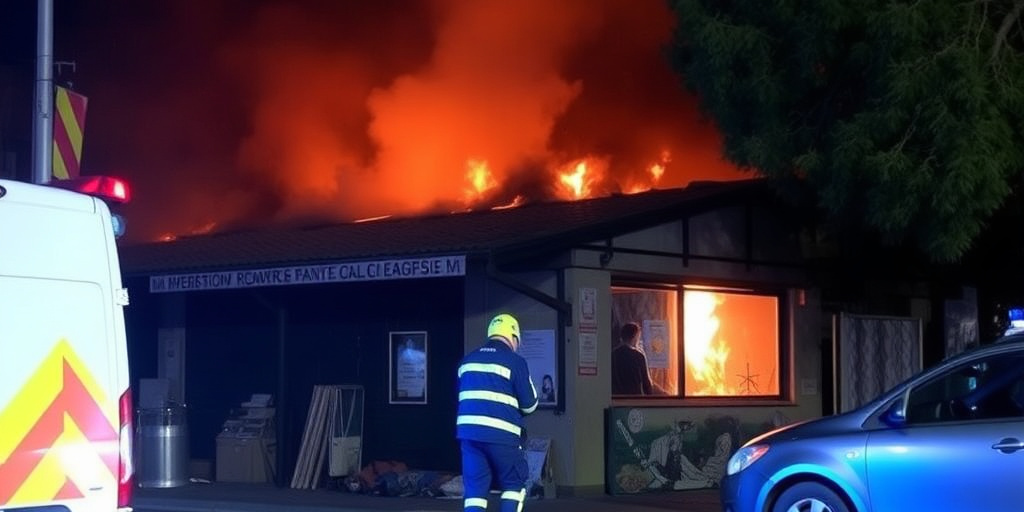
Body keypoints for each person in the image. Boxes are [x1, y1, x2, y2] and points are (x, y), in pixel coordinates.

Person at [456, 313, 539, 512]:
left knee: (475, 491)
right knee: (513, 485)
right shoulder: (515, 362)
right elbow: (530, 404)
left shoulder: (467, 362)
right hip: (502, 436)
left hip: (469, 436)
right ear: (513, 337)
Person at [612, 322, 661, 395]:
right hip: (634, 397)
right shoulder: (638, 356)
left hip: (617, 397)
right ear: (635, 337)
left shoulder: (613, 354)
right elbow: (646, 382)